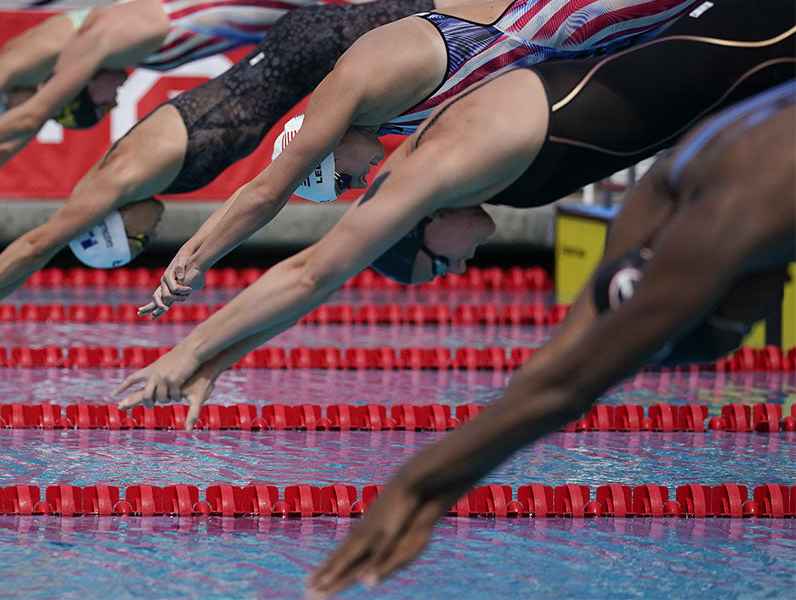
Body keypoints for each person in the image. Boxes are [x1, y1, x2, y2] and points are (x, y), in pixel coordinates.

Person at [111, 0, 794, 419]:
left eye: (446, 261)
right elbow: (322, 273)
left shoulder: (379, 104)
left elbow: (294, 238)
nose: (465, 263)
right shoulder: (411, 134)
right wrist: (219, 360)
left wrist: (191, 282)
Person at [307, 79, 796, 597]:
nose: (774, 301)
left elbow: (572, 385)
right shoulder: (670, 190)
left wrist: (413, 488)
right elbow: (563, 364)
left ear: (706, 295)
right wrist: (434, 493)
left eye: (743, 327)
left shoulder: (717, 217)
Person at [0, 0, 455, 350]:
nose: (151, 235)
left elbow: (38, 243)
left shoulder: (120, 176)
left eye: (139, 239)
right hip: (300, 51)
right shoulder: (138, 179)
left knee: (458, 18)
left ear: (117, 224)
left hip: (306, 47)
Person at [140, 0, 704, 317]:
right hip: (595, 38)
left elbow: (265, 193)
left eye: (341, 178)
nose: (360, 180)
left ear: (320, 147)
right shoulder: (401, 124)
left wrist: (190, 263)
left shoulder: (355, 81)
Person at [0, 0, 320, 206]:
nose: (114, 99)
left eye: (103, 103)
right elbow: (36, 113)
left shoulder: (22, 67)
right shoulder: (61, 63)